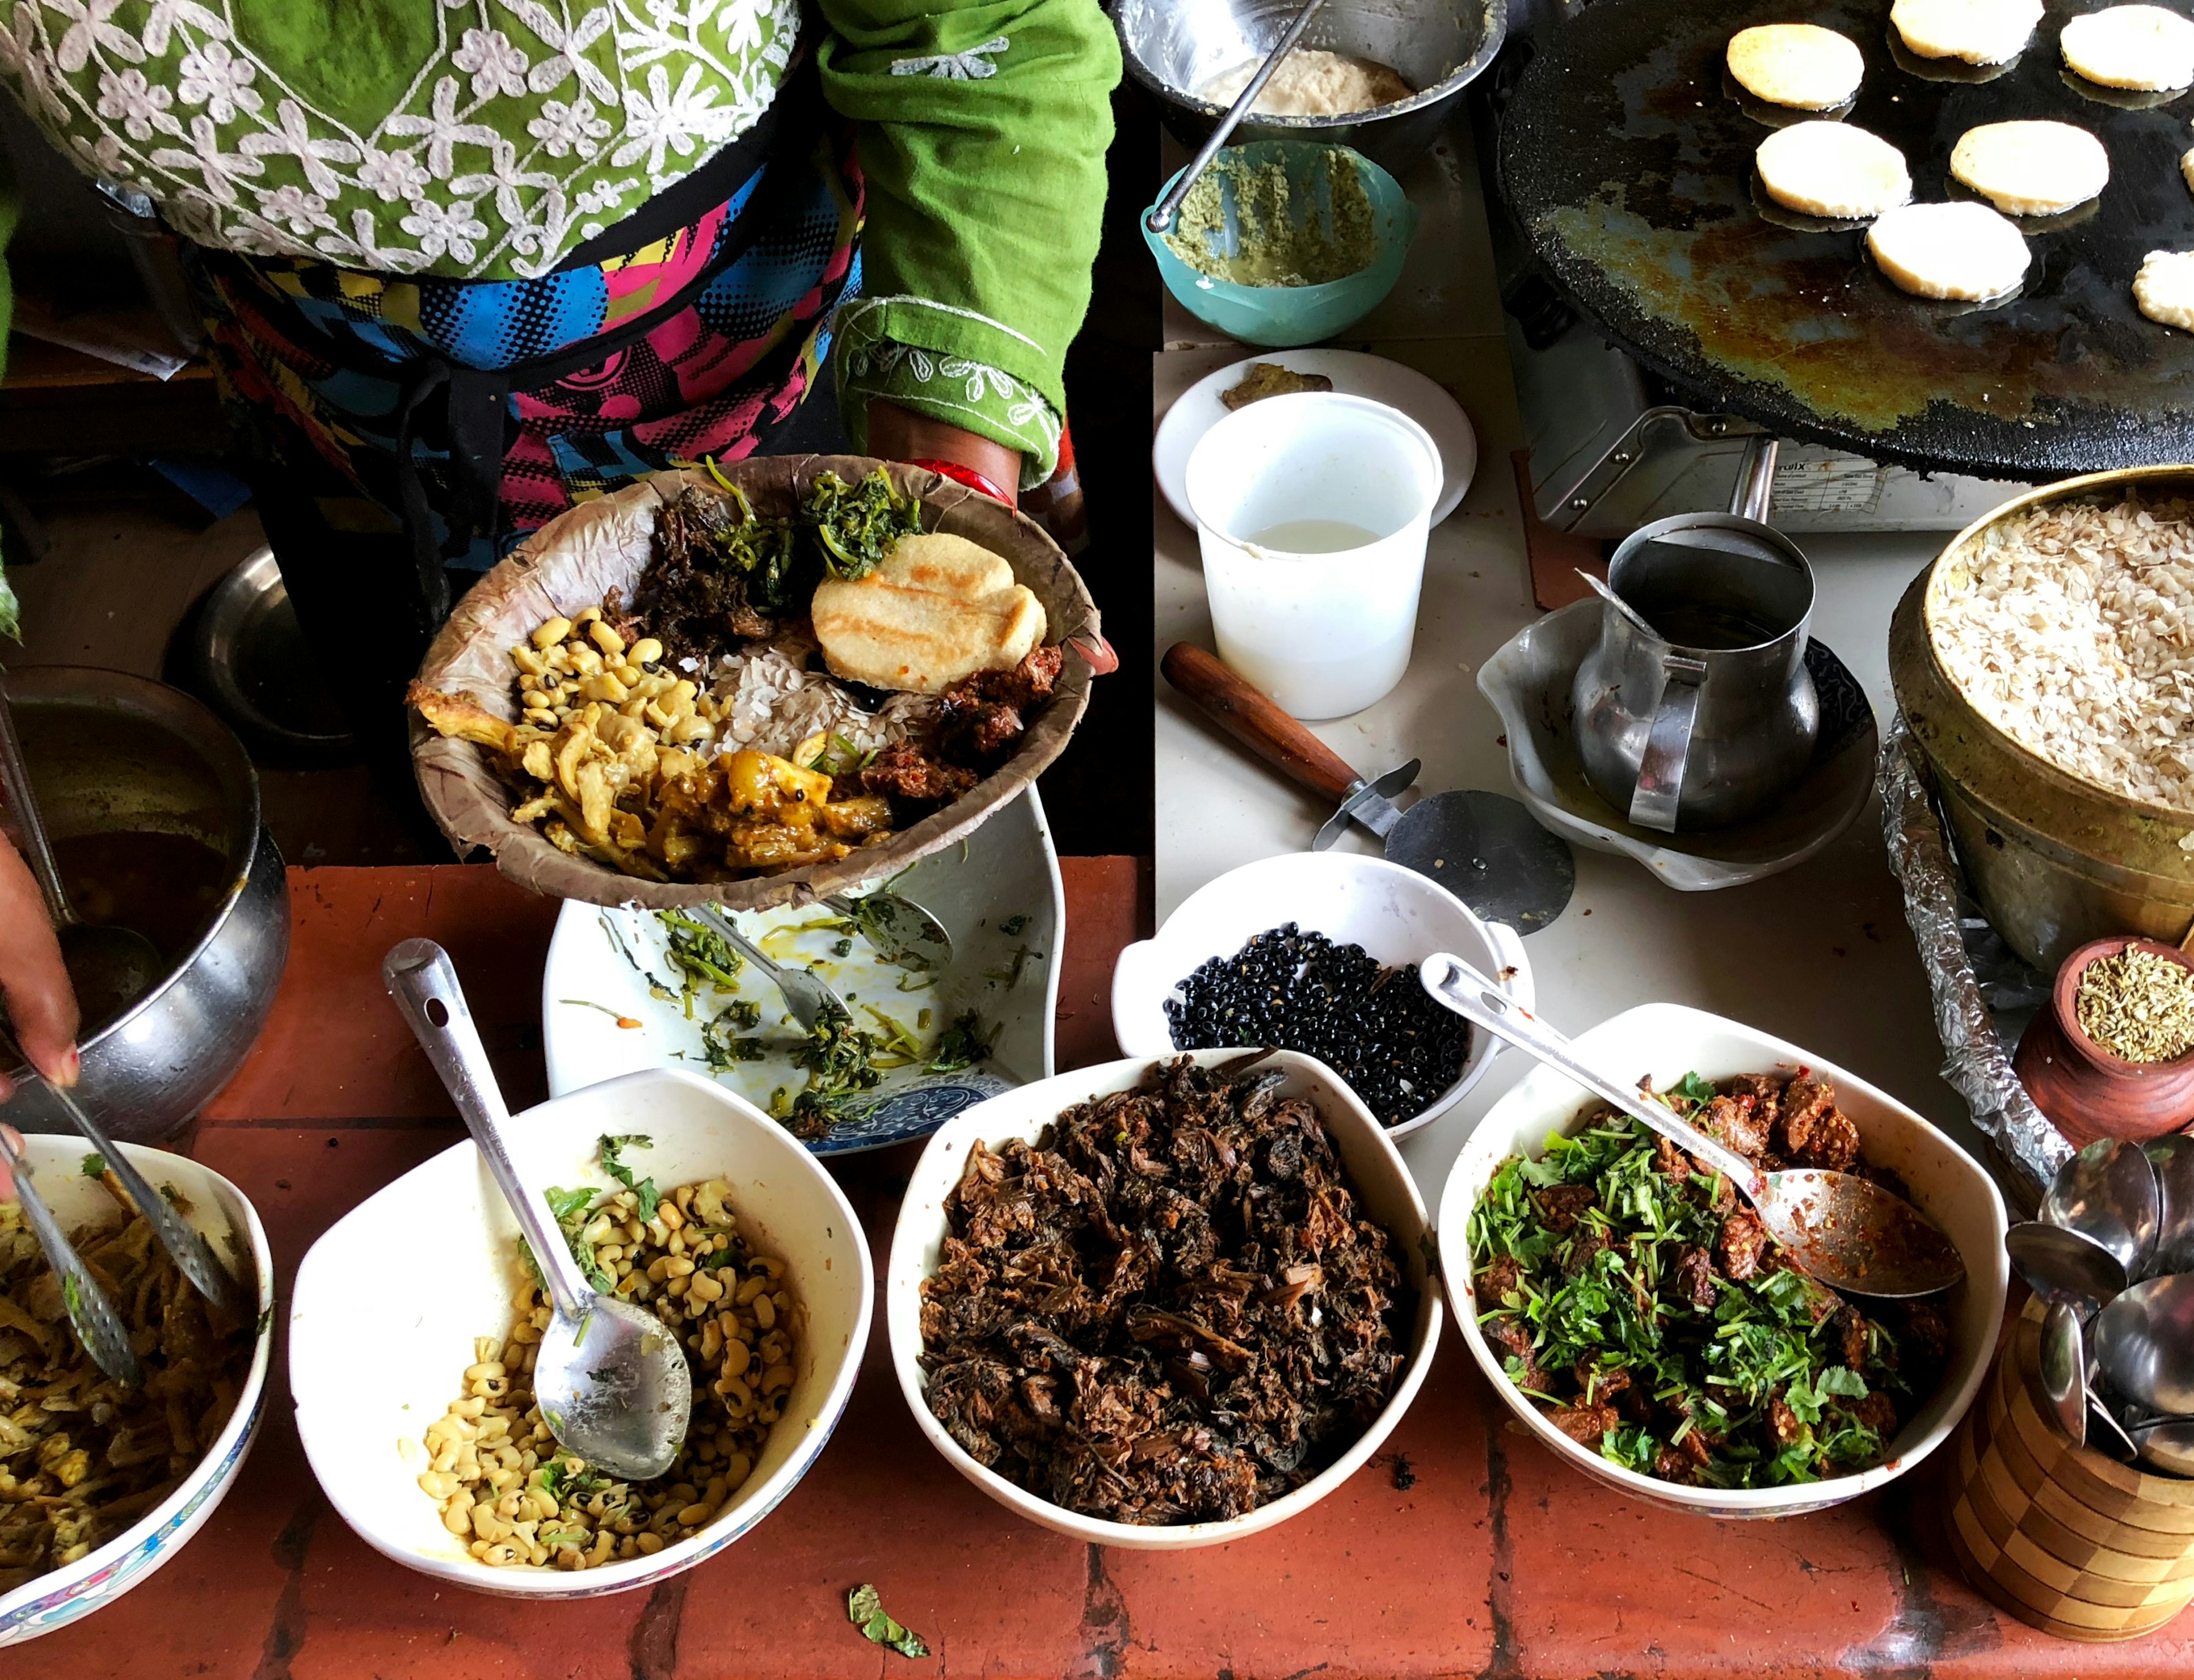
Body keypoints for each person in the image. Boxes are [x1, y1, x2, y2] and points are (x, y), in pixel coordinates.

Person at [0, 0, 1120, 1118]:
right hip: (348, 445)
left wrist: (943, 525)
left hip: (756, 449)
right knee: (468, 807)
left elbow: (980, 41)